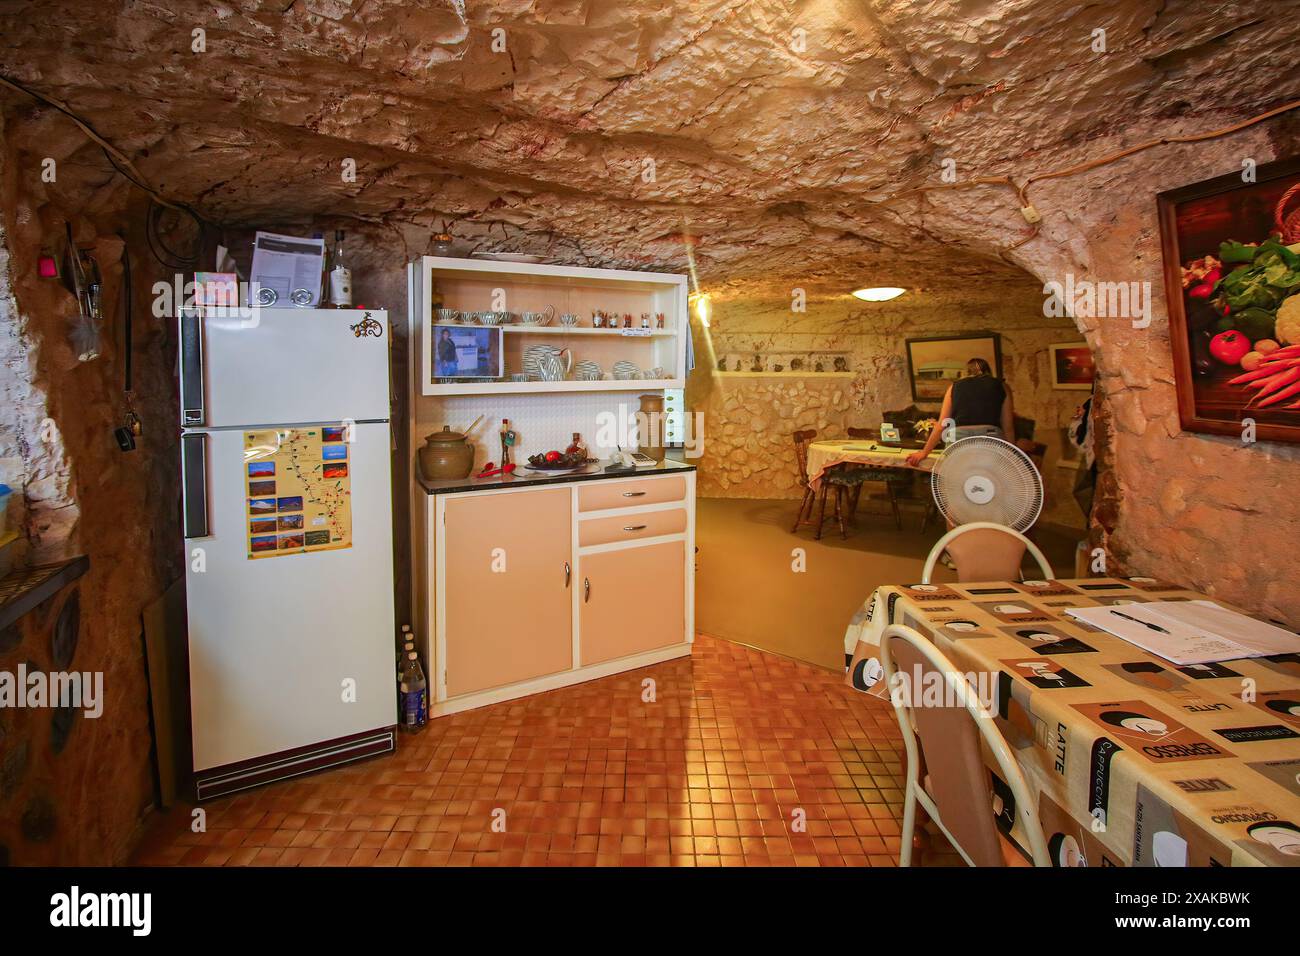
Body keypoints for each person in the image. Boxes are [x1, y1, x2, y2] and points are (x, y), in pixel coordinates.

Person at [906, 357, 1014, 467]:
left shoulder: (954, 387)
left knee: (960, 480)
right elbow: (1008, 427)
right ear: (988, 371)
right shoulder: (1002, 386)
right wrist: (1014, 455)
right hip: (990, 438)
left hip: (958, 440)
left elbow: (942, 424)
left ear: (966, 372)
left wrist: (924, 452)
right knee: (990, 478)